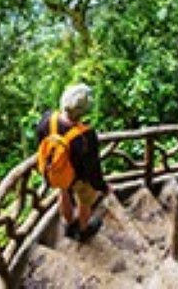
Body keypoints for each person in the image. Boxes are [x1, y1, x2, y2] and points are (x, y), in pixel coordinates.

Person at [36, 83, 111, 241]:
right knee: (85, 201)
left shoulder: (47, 120)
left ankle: (69, 223)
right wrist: (102, 187)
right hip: (78, 178)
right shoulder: (86, 136)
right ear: (83, 111)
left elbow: (42, 144)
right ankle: (83, 230)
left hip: (56, 172)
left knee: (63, 191)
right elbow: (93, 169)